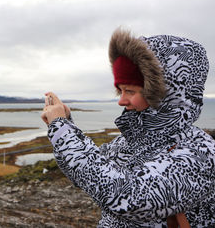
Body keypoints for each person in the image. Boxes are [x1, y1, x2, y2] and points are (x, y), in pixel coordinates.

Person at [41, 29, 215, 227]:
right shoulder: (130, 141)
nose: (121, 101)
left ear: (164, 95)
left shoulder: (200, 153)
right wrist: (64, 125)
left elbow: (130, 199)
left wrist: (63, 131)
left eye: (130, 91)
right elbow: (88, 177)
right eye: (120, 90)